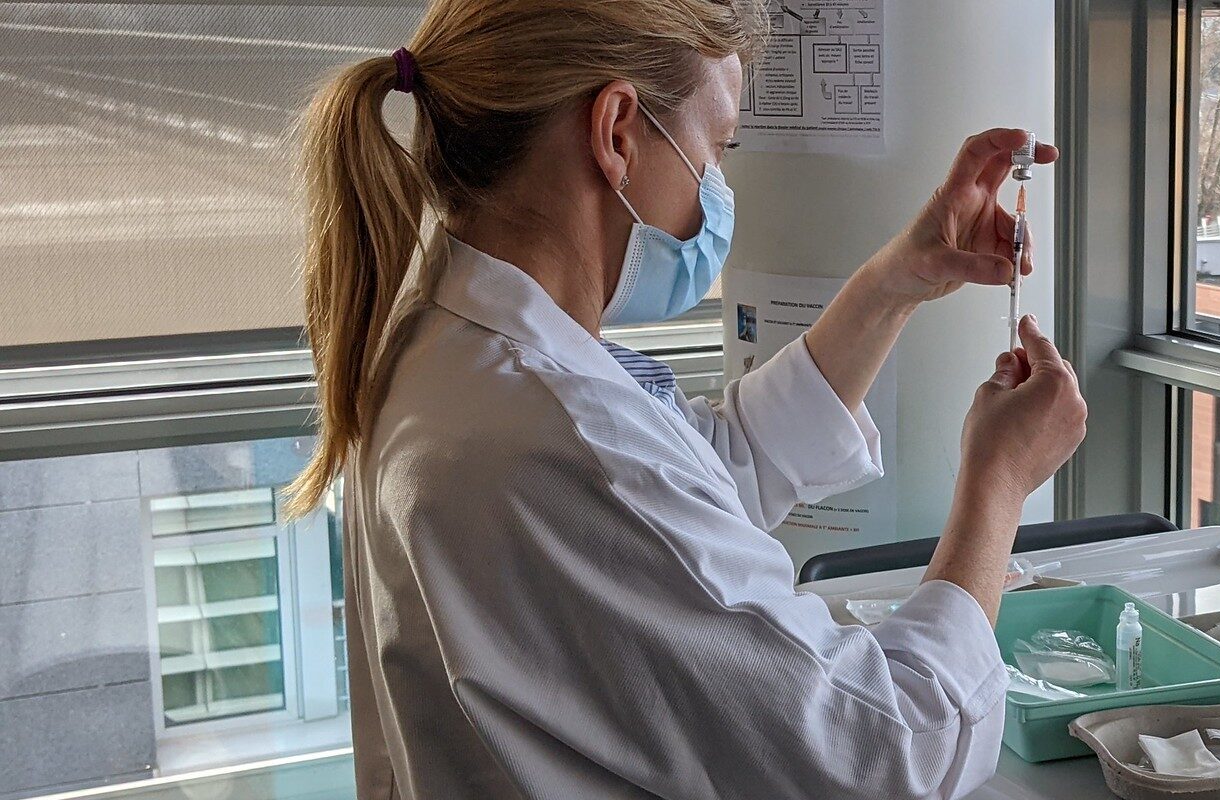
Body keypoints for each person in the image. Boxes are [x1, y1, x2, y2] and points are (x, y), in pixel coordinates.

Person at [285, 2, 1085, 798]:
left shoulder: (444, 342)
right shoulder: (557, 439)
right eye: (716, 148)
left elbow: (704, 473)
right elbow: (889, 748)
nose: (716, 187)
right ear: (617, 133)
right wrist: (998, 483)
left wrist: (896, 282)